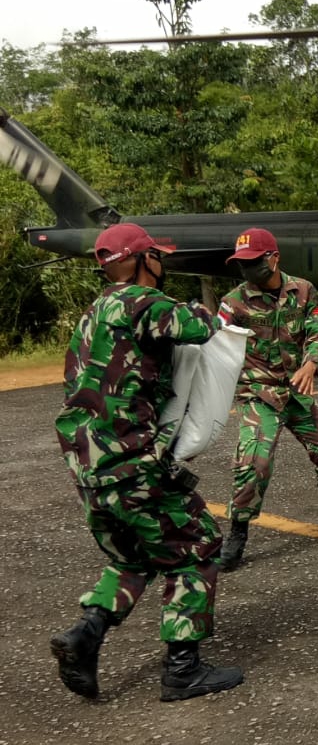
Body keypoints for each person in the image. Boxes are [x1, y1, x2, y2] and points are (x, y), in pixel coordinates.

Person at [51, 222, 243, 702]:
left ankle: (85, 635)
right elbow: (200, 327)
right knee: (197, 543)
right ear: (142, 259)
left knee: (133, 555)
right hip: (131, 460)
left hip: (88, 464)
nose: (161, 263)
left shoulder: (92, 314)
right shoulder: (143, 302)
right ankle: (183, 670)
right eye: (156, 256)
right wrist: (199, 307)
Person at [217, 228, 318, 571]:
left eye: (253, 262)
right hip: (259, 394)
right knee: (254, 462)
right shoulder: (233, 302)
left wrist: (310, 364)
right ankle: (236, 537)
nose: (247, 270)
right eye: (241, 264)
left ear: (273, 259)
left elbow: (317, 334)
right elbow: (216, 348)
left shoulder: (304, 291)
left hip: (295, 392)